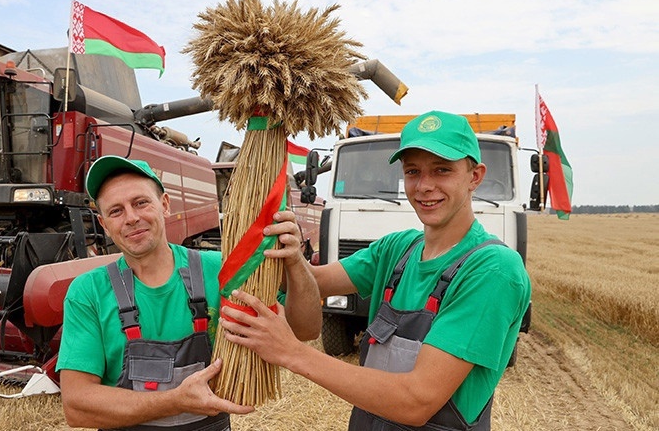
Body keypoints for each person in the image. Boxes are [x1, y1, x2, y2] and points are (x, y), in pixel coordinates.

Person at [220, 110, 532, 430]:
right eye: (413, 171)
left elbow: (417, 401)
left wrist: (292, 353)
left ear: (475, 176)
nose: (424, 185)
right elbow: (315, 282)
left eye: (442, 170)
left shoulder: (493, 270)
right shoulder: (397, 250)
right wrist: (285, 250)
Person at [56, 155, 319, 430]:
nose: (132, 218)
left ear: (165, 205)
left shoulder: (220, 270)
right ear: (103, 224)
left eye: (141, 203)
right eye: (116, 211)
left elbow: (306, 330)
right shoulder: (88, 292)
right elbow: (77, 406)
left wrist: (295, 261)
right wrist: (176, 401)